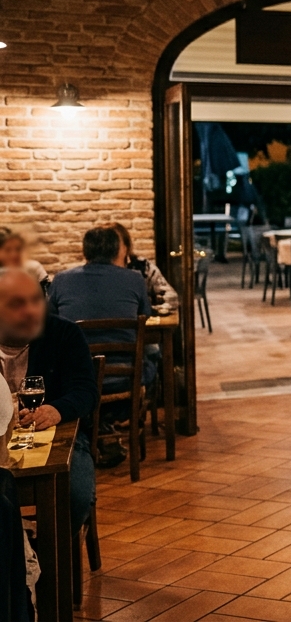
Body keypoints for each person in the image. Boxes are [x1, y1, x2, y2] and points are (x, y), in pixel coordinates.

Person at [0, 269, 100, 541]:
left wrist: (57, 409)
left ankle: (46, 557)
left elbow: (86, 390)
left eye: (36, 300)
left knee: (76, 495)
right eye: (18, 304)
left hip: (57, 437)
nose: (31, 310)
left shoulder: (63, 333)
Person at [49, 227, 156, 388]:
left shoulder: (61, 280)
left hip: (76, 378)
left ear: (85, 251)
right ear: (118, 250)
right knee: (154, 356)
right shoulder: (134, 278)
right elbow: (145, 315)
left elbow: (51, 321)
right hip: (125, 377)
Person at [102, 222, 178, 309]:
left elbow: (172, 298)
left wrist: (151, 310)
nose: (110, 248)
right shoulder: (94, 271)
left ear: (125, 247)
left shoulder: (143, 267)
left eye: (114, 244)